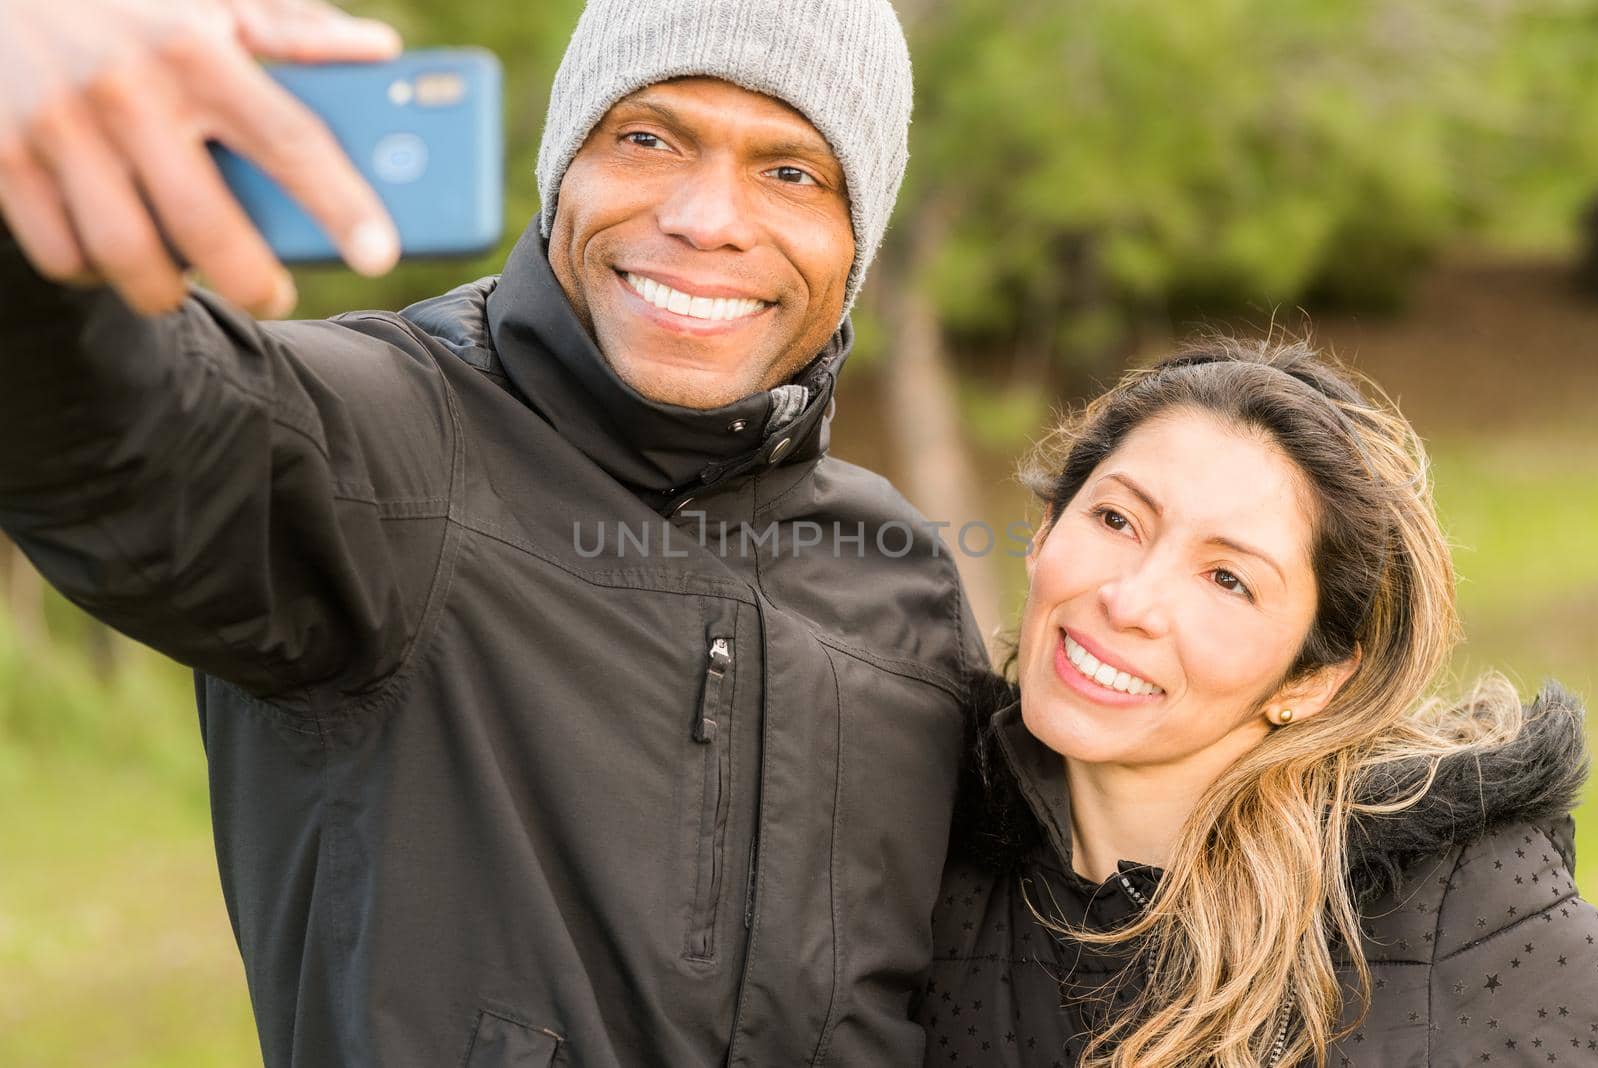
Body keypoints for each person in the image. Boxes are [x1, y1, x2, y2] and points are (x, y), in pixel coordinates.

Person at [0, 0, 989, 1064]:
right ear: (563, 168)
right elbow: (106, 431)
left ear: (857, 237)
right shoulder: (385, 439)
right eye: (649, 138)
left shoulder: (903, 582)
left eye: (791, 172)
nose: (707, 218)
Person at [915, 340, 1598, 1067]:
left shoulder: (1465, 907)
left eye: (1226, 579)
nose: (1129, 601)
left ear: (1312, 680)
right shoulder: (917, 841)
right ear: (1048, 526)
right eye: (1116, 521)